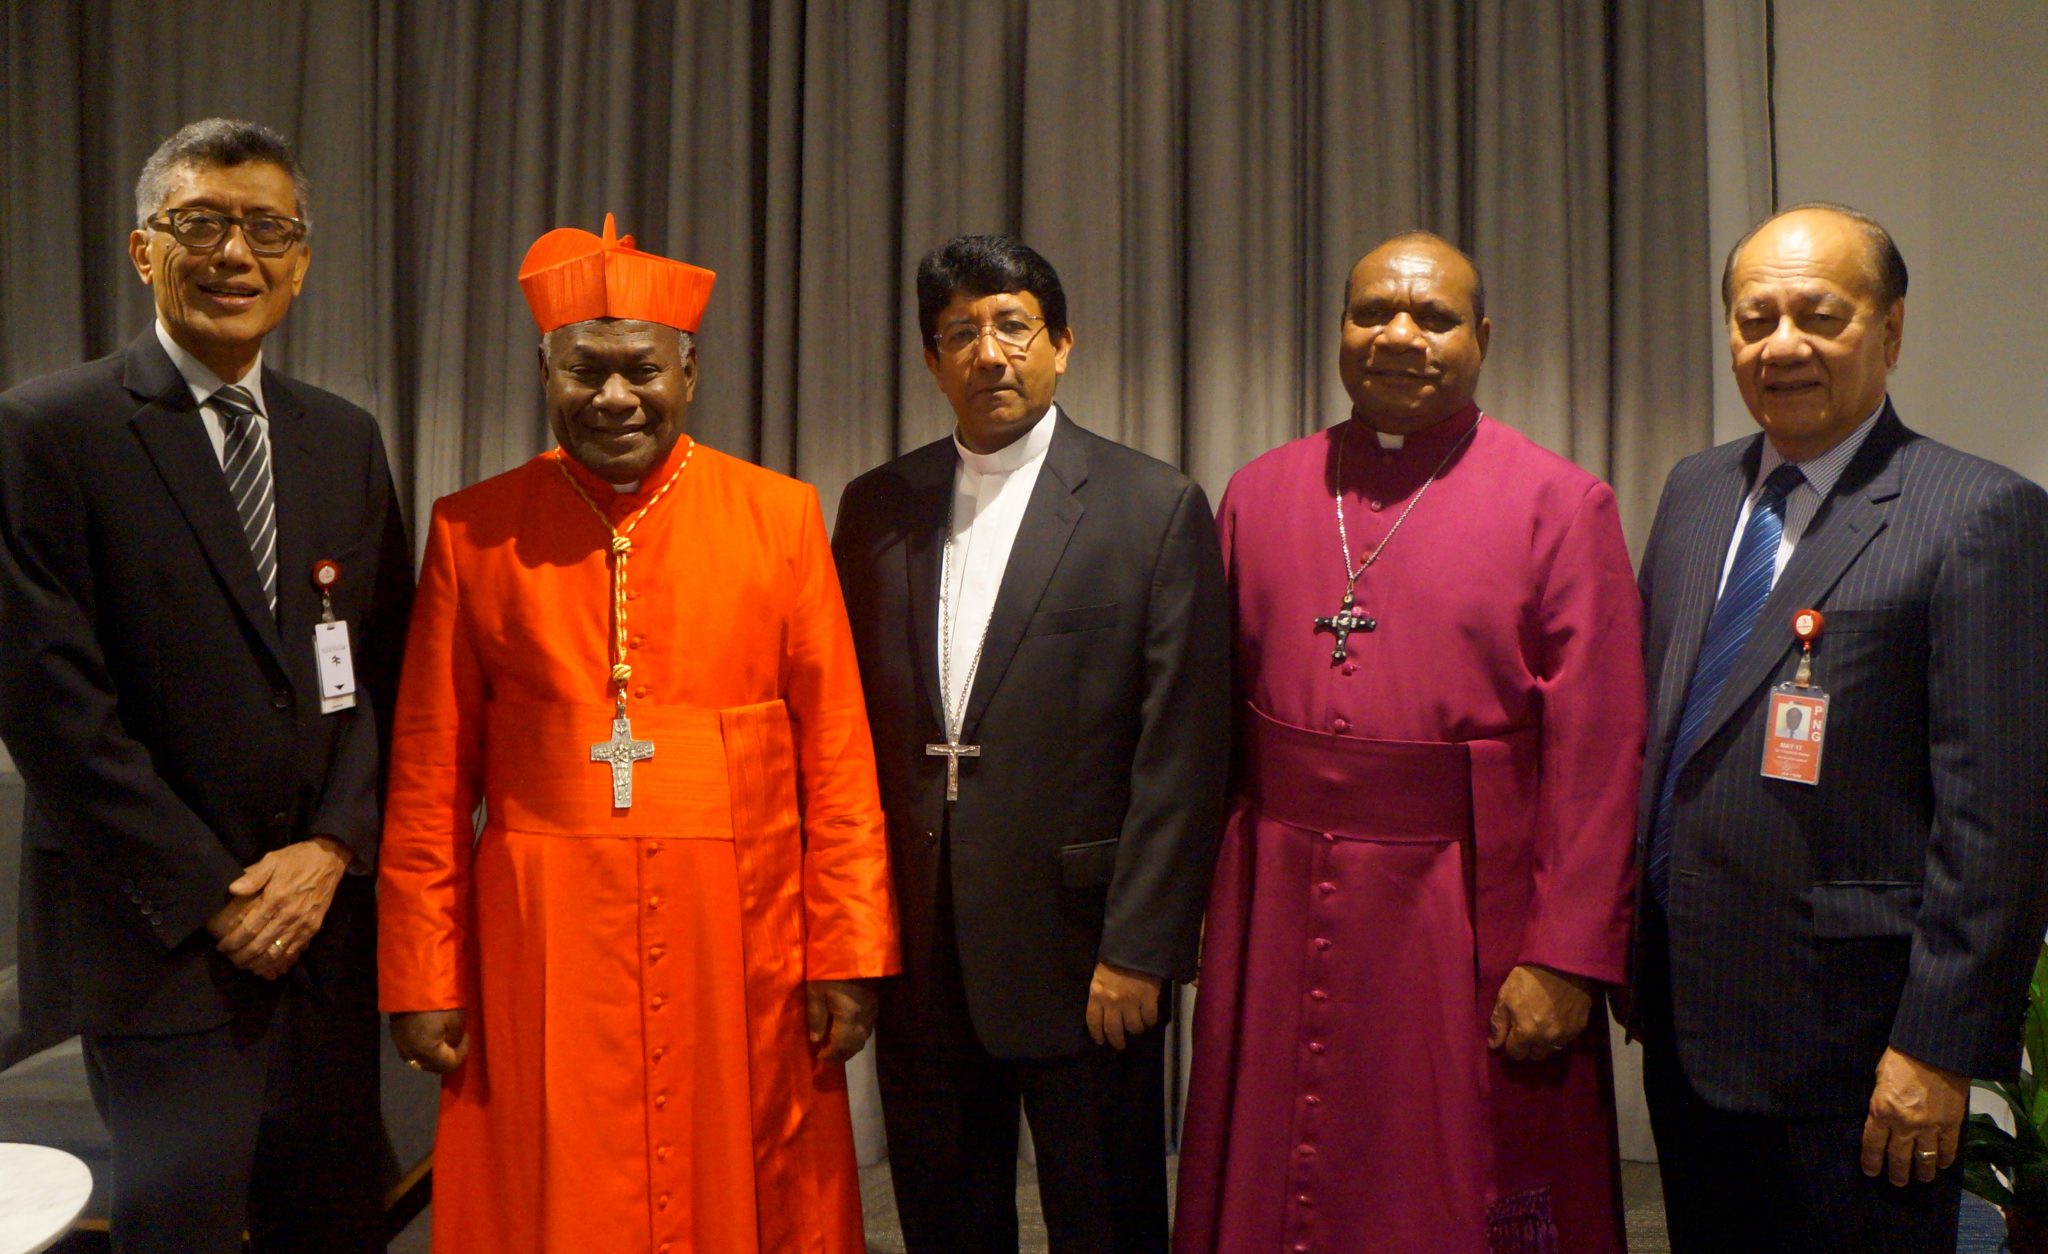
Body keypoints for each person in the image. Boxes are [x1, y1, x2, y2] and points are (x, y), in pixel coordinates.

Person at [376, 215, 897, 1253]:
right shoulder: (470, 532)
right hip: (539, 947)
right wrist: (423, 975)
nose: (614, 397)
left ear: (689, 372)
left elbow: (837, 759)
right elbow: (429, 776)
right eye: (585, 371)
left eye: (640, 371)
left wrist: (847, 953)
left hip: (740, 939)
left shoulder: (780, 518)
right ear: (545, 370)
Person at [1174, 231, 1643, 1253]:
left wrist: (1563, 958)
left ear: (1480, 337)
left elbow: (1600, 757)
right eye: (1370, 313)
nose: (1396, 335)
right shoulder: (1257, 492)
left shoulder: (1560, 505)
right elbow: (1204, 733)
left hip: (1464, 916)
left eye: (1430, 318)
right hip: (1277, 895)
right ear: (1338, 331)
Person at [0, 118, 413, 1251]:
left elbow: (381, 673)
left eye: (266, 227)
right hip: (162, 942)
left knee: (331, 1222)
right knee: (178, 1228)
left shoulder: (342, 436)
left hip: (321, 927)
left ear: (301, 260)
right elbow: (50, 702)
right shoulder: (49, 429)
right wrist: (221, 898)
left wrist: (330, 850)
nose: (236, 253)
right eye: (203, 223)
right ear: (146, 251)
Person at [1632, 202, 2048, 1251]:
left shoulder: (1974, 512)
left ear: (1889, 330)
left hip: (1857, 1052)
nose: (1781, 345)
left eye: (1816, 315)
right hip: (1687, 1024)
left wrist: (1936, 1049)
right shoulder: (1693, 492)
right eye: (1752, 317)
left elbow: (1995, 811)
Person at [832, 234, 1229, 1252]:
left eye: (1011, 326)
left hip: (1085, 954)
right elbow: (844, 735)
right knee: (942, 1219)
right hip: (921, 948)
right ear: (930, 362)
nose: (987, 353)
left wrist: (1140, 950)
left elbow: (1180, 753)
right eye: (958, 333)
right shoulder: (875, 508)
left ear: (1061, 345)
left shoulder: (1152, 507)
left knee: (1105, 1220)